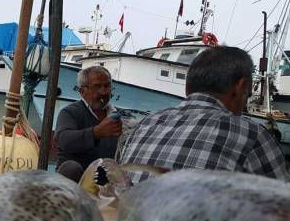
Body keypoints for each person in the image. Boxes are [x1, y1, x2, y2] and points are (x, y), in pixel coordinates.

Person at [117, 46, 290, 184]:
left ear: (187, 88)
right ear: (240, 87)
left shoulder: (145, 124)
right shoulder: (252, 135)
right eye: (248, 94)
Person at [54, 65, 122, 182]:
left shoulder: (117, 115)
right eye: (97, 87)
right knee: (71, 168)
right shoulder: (69, 112)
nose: (104, 92)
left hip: (105, 184)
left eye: (107, 86)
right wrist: (96, 133)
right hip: (74, 184)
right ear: (82, 91)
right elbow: (64, 140)